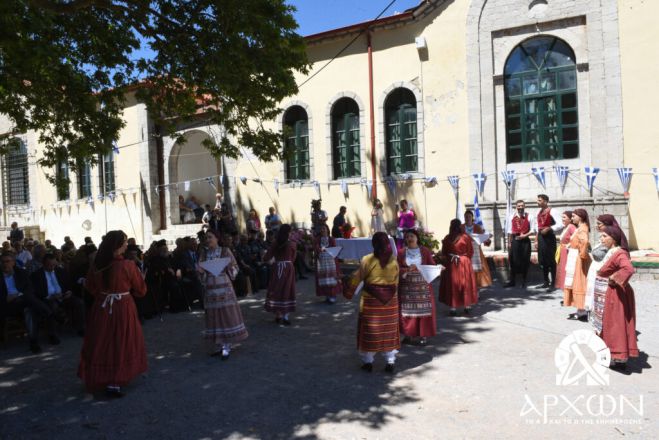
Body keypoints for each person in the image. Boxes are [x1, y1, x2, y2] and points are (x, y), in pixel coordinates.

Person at [78, 230, 147, 397]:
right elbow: (141, 290)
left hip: (101, 307)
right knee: (120, 341)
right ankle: (115, 380)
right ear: (117, 245)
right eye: (124, 241)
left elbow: (90, 286)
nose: (126, 244)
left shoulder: (97, 264)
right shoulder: (128, 265)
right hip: (122, 307)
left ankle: (103, 376)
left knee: (102, 341)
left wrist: (104, 294)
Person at [344, 232, 400, 373]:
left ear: (374, 244)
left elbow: (357, 278)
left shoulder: (367, 260)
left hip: (371, 302)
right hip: (390, 303)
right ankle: (390, 361)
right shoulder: (393, 260)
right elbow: (396, 281)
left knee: (369, 331)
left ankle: (368, 362)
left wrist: (346, 285)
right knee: (388, 331)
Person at [197, 229, 248, 360]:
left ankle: (226, 345)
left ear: (217, 238)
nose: (208, 240)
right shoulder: (203, 253)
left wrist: (228, 268)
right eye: (206, 238)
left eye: (210, 237)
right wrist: (201, 271)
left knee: (226, 314)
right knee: (214, 316)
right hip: (210, 288)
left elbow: (235, 267)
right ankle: (219, 344)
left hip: (224, 287)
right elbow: (200, 271)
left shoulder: (225, 251)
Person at [596, 225, 638, 371]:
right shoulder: (612, 252)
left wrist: (614, 278)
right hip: (611, 293)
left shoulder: (619, 253)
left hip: (616, 294)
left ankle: (620, 358)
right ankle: (614, 356)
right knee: (610, 324)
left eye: (604, 236)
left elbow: (628, 268)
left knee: (616, 324)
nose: (601, 239)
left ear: (613, 239)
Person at [0, 251, 56, 353]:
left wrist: (17, 295)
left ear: (13, 262)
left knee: (29, 310)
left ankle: (33, 342)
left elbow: (30, 289)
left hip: (22, 301)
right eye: (2, 262)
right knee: (30, 301)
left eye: (7, 261)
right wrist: (5, 298)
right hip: (6, 305)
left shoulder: (21, 273)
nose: (4, 264)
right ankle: (48, 313)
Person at [397, 229, 437, 345]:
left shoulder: (425, 251)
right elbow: (397, 268)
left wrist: (438, 268)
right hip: (407, 287)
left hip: (422, 287)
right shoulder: (401, 252)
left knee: (423, 311)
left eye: (412, 236)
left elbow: (431, 265)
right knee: (407, 311)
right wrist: (407, 269)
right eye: (407, 237)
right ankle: (408, 334)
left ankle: (423, 335)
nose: (409, 238)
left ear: (417, 238)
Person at [31, 253, 85, 337]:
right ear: (43, 264)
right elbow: (36, 291)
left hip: (63, 296)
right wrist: (49, 296)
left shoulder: (60, 271)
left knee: (79, 303)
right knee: (52, 306)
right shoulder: (37, 275)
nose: (52, 267)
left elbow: (69, 284)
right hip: (48, 298)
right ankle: (52, 334)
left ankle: (80, 328)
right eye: (49, 265)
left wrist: (69, 291)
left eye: (54, 265)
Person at [584, 214, 628, 312]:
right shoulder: (604, 238)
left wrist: (614, 277)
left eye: (600, 224)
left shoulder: (612, 241)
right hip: (597, 269)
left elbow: (625, 266)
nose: (597, 226)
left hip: (605, 271)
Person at [439, 219, 478, 316]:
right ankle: (467, 306)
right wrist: (464, 258)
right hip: (463, 262)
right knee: (465, 284)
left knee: (452, 285)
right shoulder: (465, 237)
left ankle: (453, 308)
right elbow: (470, 252)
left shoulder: (447, 238)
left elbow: (444, 253)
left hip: (451, 263)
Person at [263, 224, 297, 325]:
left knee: (277, 289)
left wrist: (274, 262)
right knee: (287, 290)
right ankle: (286, 317)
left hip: (277, 268)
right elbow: (293, 258)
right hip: (288, 268)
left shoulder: (275, 243)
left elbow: (266, 257)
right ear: (288, 233)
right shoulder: (292, 244)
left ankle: (278, 315)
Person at [563, 209, 592, 321]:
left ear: (580, 217)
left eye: (574, 216)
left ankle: (582, 311)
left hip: (579, 258)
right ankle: (580, 310)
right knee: (576, 282)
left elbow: (584, 242)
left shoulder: (583, 228)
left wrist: (582, 255)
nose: (572, 218)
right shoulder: (580, 227)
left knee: (580, 283)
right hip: (576, 256)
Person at [535, 194, 563, 291]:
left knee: (551, 260)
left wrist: (549, 228)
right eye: (538, 200)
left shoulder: (553, 211)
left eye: (539, 200)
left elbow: (560, 224)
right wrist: (536, 239)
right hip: (541, 237)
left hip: (549, 238)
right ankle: (546, 281)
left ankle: (554, 283)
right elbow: (537, 227)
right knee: (542, 260)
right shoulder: (539, 212)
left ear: (545, 201)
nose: (537, 202)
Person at [505, 200, 535, 288]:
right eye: (518, 206)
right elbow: (510, 231)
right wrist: (510, 242)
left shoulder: (530, 216)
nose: (520, 207)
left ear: (524, 206)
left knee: (525, 260)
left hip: (525, 241)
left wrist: (524, 235)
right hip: (515, 240)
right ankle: (512, 281)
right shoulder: (511, 217)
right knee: (513, 260)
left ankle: (524, 281)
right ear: (516, 207)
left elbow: (533, 230)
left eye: (522, 206)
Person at [462, 210, 492, 288]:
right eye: (466, 217)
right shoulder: (461, 227)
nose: (467, 218)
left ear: (472, 218)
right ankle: (468, 289)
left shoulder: (477, 227)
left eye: (469, 216)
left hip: (476, 251)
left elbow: (483, 238)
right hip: (465, 251)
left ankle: (476, 290)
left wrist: (487, 238)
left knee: (476, 270)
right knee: (467, 269)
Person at [314, 225, 342, 304]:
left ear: (327, 230)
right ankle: (327, 295)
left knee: (332, 278)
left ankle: (333, 296)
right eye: (322, 229)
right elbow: (316, 248)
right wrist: (319, 250)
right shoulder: (318, 239)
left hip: (331, 261)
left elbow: (334, 249)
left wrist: (328, 251)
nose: (323, 230)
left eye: (324, 229)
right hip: (322, 261)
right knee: (324, 278)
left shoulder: (331, 239)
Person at [554, 211, 577, 291]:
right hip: (562, 251)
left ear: (570, 219)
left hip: (567, 252)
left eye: (564, 217)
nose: (562, 219)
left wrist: (568, 246)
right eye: (562, 217)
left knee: (566, 270)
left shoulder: (571, 227)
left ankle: (567, 289)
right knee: (562, 269)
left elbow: (575, 238)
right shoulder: (566, 227)